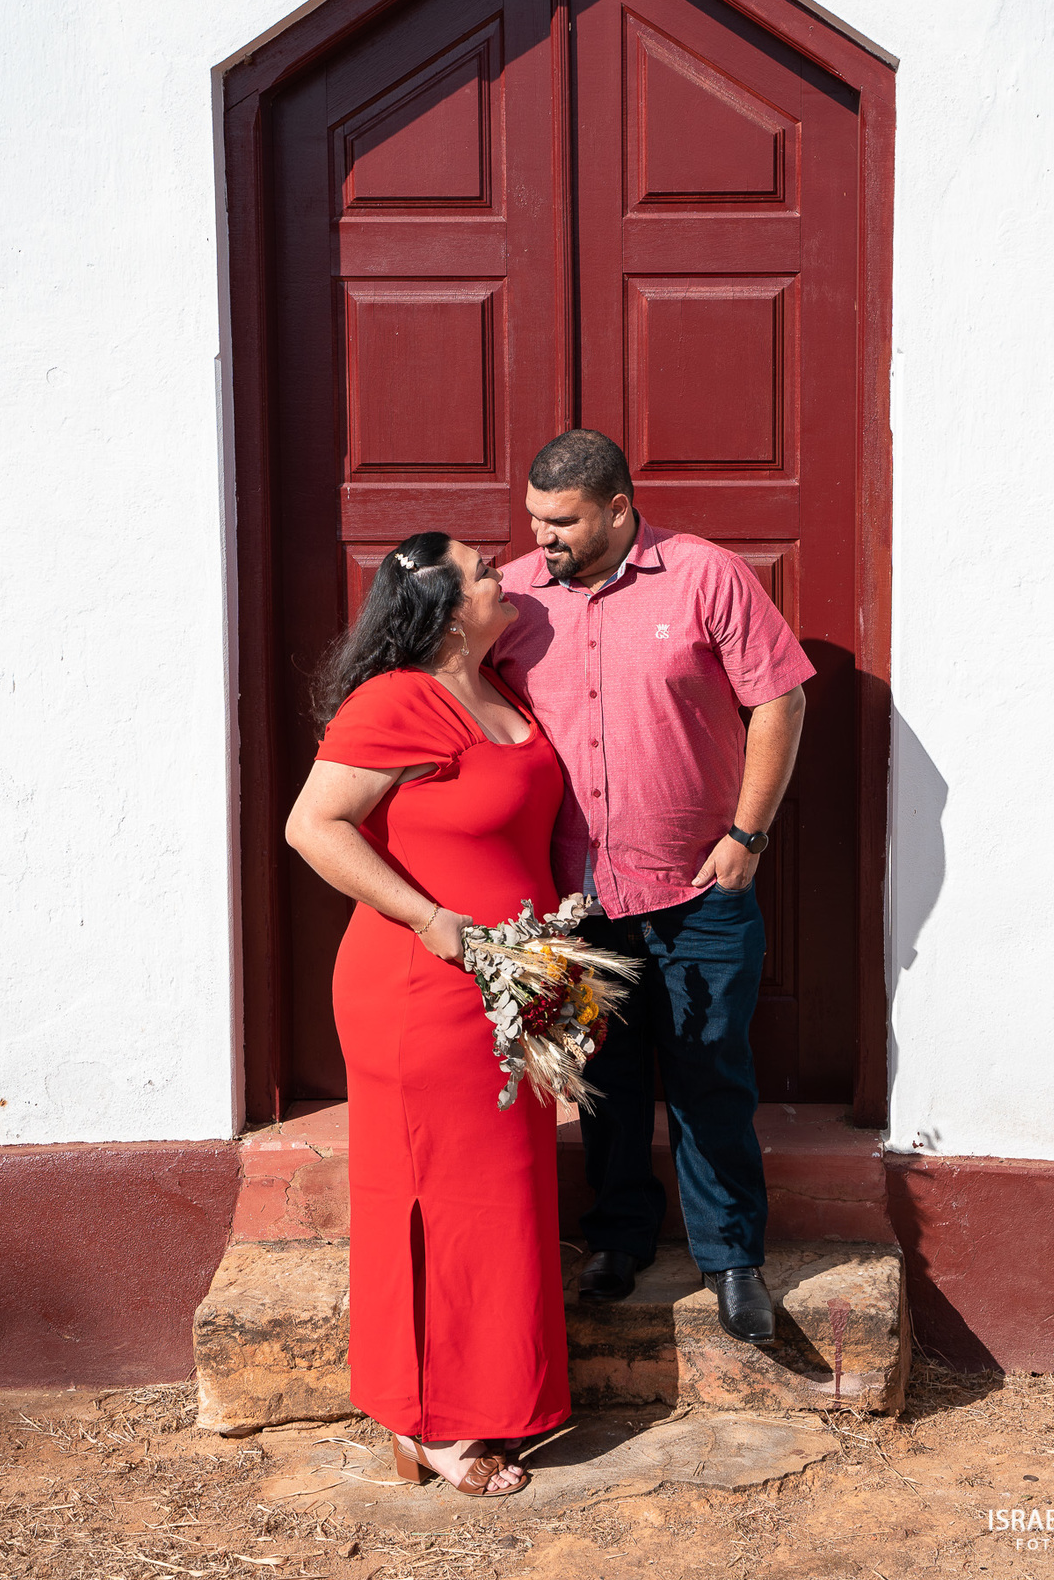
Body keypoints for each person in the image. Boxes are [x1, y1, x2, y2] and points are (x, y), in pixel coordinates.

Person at [491, 430, 815, 1346]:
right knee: (606, 1079)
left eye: (562, 522)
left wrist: (747, 835)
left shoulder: (706, 575)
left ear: (621, 509)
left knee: (711, 1074)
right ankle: (620, 1241)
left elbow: (781, 698)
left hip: (699, 885)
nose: (542, 539)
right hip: (575, 897)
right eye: (535, 521)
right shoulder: (511, 597)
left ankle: (732, 1260)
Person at [285, 534, 571, 1495]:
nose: (507, 572)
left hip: (504, 991)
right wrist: (429, 916)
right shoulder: (397, 700)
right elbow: (310, 825)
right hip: (418, 988)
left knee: (500, 1202)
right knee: (431, 1200)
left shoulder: (499, 691)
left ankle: (489, 1397)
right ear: (449, 607)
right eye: (486, 567)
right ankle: (427, 1422)